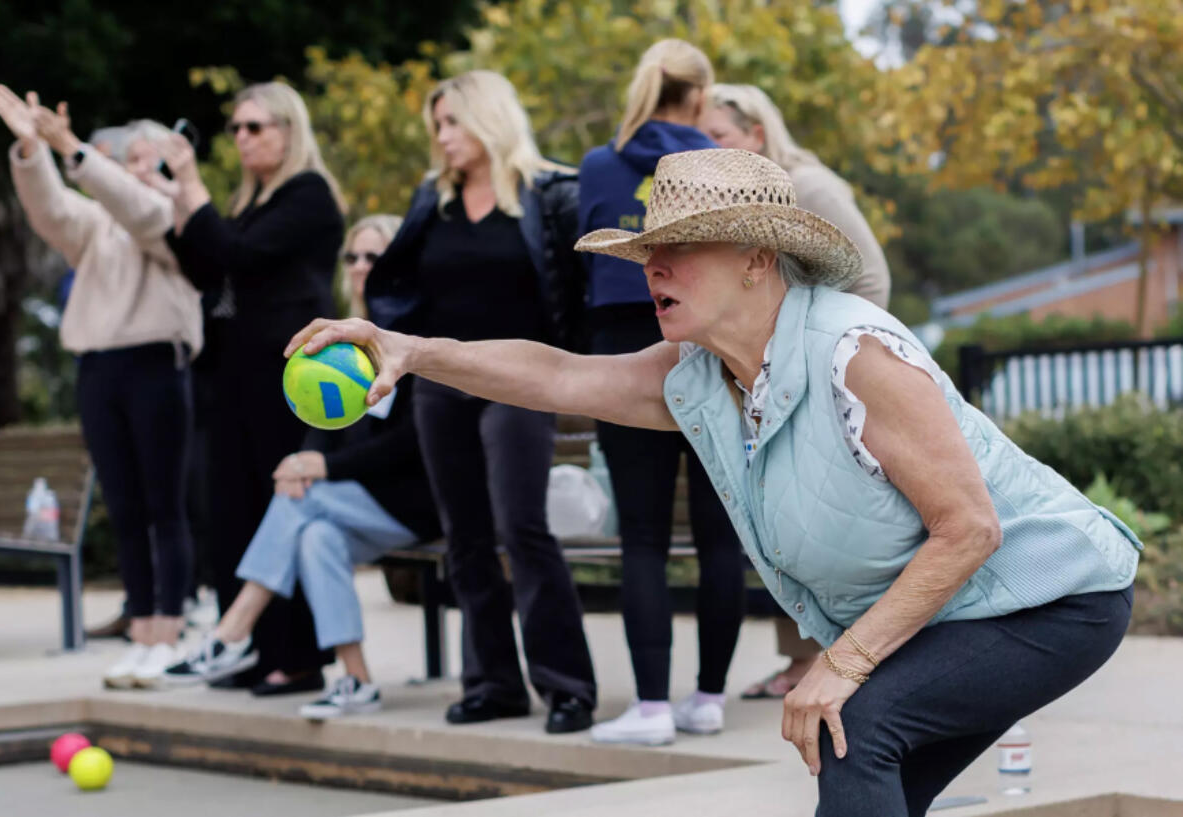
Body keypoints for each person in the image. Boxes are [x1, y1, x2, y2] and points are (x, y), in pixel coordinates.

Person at [287, 149, 1140, 817]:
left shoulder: (858, 355)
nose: (652, 269)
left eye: (679, 252)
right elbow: (555, 375)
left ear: (758, 260)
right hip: (953, 612)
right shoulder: (702, 379)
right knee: (866, 770)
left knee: (858, 728)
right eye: (649, 254)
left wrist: (840, 661)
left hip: (1050, 599)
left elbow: (971, 530)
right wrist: (414, 351)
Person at [364, 70, 596, 735]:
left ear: (488, 118)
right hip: (441, 381)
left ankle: (566, 685)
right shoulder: (429, 201)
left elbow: (575, 287)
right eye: (436, 125)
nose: (441, 137)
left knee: (521, 527)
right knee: (464, 536)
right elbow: (400, 281)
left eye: (452, 122)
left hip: (521, 378)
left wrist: (575, 365)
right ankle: (493, 683)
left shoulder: (548, 195)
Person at [162, 215, 440, 718]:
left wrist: (324, 470)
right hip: (357, 505)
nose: (359, 267)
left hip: (418, 499)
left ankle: (233, 631)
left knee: (307, 496)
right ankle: (356, 680)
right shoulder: (341, 339)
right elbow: (322, 424)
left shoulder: (418, 338)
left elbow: (411, 443)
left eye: (372, 256)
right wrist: (302, 460)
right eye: (351, 257)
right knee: (315, 535)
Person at [0, 85, 202, 687]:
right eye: (128, 159)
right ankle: (139, 634)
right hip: (99, 370)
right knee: (127, 509)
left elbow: (141, 210)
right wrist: (31, 149)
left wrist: (81, 154)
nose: (133, 170)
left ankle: (168, 631)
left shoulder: (177, 220)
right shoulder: (99, 226)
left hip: (157, 364)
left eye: (145, 159)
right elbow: (53, 212)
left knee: (165, 508)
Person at [700, 83, 892, 700]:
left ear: (757, 134)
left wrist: (829, 358)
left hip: (829, 384)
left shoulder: (810, 189)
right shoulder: (735, 205)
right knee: (784, 518)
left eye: (718, 136)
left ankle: (858, 656)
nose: (708, 149)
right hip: (772, 385)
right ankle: (802, 661)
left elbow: (872, 276)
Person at [153, 81, 345, 697]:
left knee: (279, 506)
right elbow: (206, 267)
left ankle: (297, 654)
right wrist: (178, 203)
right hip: (234, 374)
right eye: (236, 128)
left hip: (286, 373)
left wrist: (193, 187)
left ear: (288, 130)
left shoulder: (308, 194)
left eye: (255, 127)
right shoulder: (251, 201)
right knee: (229, 512)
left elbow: (241, 256)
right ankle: (252, 648)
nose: (241, 138)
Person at [578, 39, 744, 745]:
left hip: (623, 354)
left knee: (641, 536)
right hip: (714, 348)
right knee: (720, 536)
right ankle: (707, 698)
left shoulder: (598, 166)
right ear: (701, 98)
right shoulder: (725, 169)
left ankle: (649, 707)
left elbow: (584, 270)